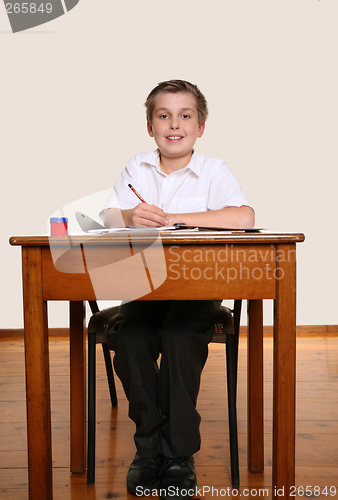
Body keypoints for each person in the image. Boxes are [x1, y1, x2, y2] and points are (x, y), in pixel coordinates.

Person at [100, 80, 254, 499]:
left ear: (200, 127)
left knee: (179, 336)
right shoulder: (137, 167)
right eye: (163, 115)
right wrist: (131, 214)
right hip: (143, 287)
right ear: (150, 126)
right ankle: (149, 448)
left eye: (185, 115)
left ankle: (179, 453)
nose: (174, 124)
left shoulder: (215, 171)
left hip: (198, 290)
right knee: (129, 337)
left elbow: (244, 216)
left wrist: (174, 218)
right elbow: (107, 214)